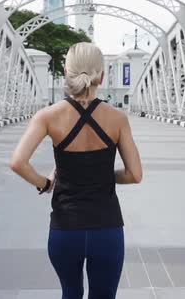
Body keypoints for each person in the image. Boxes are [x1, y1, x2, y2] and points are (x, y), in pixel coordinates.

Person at [9, 42, 143, 299]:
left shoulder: (48, 116)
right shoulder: (117, 119)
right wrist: (105, 176)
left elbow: (18, 162)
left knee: (70, 293)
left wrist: (46, 184)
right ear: (102, 76)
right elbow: (135, 174)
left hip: (64, 228)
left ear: (65, 71)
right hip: (107, 228)